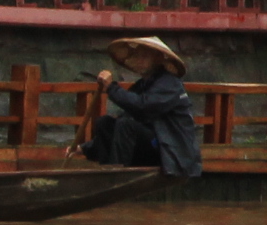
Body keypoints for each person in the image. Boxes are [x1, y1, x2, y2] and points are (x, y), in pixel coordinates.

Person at [81, 36, 202, 178]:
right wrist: (84, 148)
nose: (139, 60)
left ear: (157, 59)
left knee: (127, 125)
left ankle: (117, 176)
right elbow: (126, 115)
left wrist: (111, 88)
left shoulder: (170, 84)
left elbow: (143, 107)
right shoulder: (140, 86)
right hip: (150, 145)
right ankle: (109, 171)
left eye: (144, 57)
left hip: (169, 150)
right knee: (105, 123)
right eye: (137, 56)